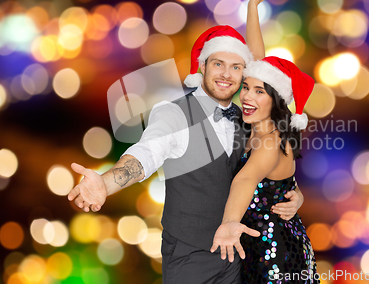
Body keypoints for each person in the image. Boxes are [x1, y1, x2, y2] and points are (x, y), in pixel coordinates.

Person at [67, 23, 305, 283]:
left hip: (242, 253)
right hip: (191, 259)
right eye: (218, 64)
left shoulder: (245, 117)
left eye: (236, 67)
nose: (226, 74)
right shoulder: (174, 113)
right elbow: (148, 152)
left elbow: (268, 163)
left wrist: (291, 193)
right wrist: (106, 182)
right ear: (202, 66)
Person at [210, 0, 320, 283]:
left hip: (275, 257)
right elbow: (258, 63)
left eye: (259, 92)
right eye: (246, 87)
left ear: (277, 102)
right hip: (260, 247)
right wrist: (253, 8)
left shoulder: (270, 140)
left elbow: (246, 179)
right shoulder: (256, 124)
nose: (247, 95)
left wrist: (229, 224)